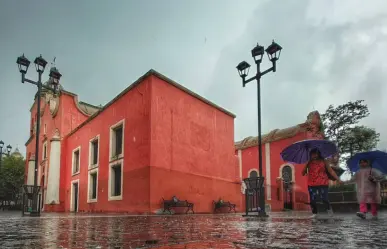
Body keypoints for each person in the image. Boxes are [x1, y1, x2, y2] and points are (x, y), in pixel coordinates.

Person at [302, 148, 342, 217]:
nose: (314, 155)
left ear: (318, 154)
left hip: (323, 182)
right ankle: (314, 213)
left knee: (324, 198)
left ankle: (329, 210)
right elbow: (303, 173)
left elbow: (331, 171)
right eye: (312, 154)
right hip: (311, 183)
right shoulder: (309, 162)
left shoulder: (324, 161)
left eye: (315, 154)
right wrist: (306, 163)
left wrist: (338, 179)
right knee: (312, 199)